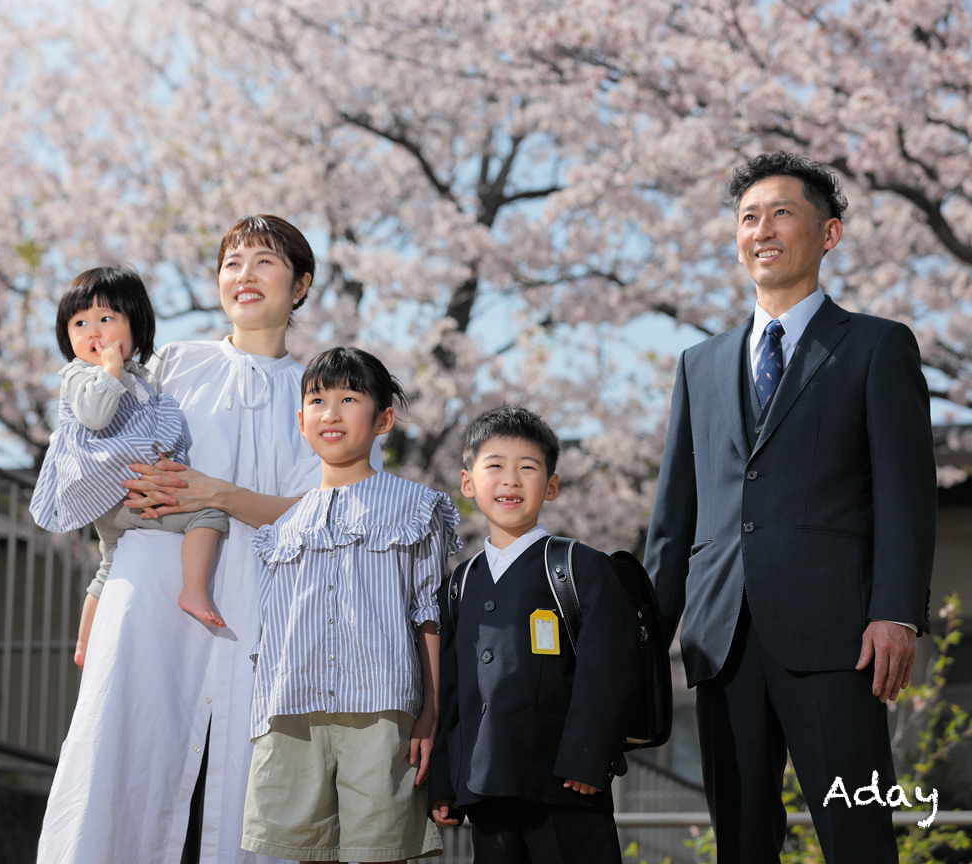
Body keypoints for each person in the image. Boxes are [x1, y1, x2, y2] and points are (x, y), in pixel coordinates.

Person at [643, 151, 936, 863]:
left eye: (782, 213)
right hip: (722, 642)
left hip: (839, 639)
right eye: (749, 217)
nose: (762, 230)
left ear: (829, 233)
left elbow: (905, 494)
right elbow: (674, 520)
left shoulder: (876, 346)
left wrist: (896, 612)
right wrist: (643, 640)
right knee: (741, 843)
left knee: (857, 839)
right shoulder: (699, 364)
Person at [38, 215, 349, 864]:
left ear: (300, 285)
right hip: (147, 595)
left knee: (235, 795)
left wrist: (217, 495)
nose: (245, 275)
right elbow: (101, 452)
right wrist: (132, 491)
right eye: (232, 263)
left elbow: (324, 516)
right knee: (123, 762)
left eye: (265, 261)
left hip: (260, 616)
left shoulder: (319, 395)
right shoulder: (173, 364)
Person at [241, 346, 459, 864]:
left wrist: (431, 711)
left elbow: (429, 614)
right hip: (292, 709)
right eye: (317, 400)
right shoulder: (281, 529)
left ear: (383, 419)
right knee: (308, 854)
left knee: (384, 852)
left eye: (349, 398)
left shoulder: (415, 507)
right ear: (301, 421)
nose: (331, 413)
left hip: (382, 710)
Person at [428, 405, 641, 864]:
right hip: (485, 787)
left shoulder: (580, 567)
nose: (510, 480)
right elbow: (450, 689)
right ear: (468, 483)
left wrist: (588, 757)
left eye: (527, 468)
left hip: (566, 786)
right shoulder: (459, 584)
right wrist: (444, 779)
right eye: (494, 466)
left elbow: (609, 669)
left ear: (552, 485)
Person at [30, 267, 229, 666]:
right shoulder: (79, 376)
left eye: (106, 319)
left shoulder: (142, 381)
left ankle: (83, 642)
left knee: (109, 562)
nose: (93, 332)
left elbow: (159, 433)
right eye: (79, 323)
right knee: (210, 514)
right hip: (115, 491)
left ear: (135, 327)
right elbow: (95, 415)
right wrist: (110, 370)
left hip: (123, 492)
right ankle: (193, 590)